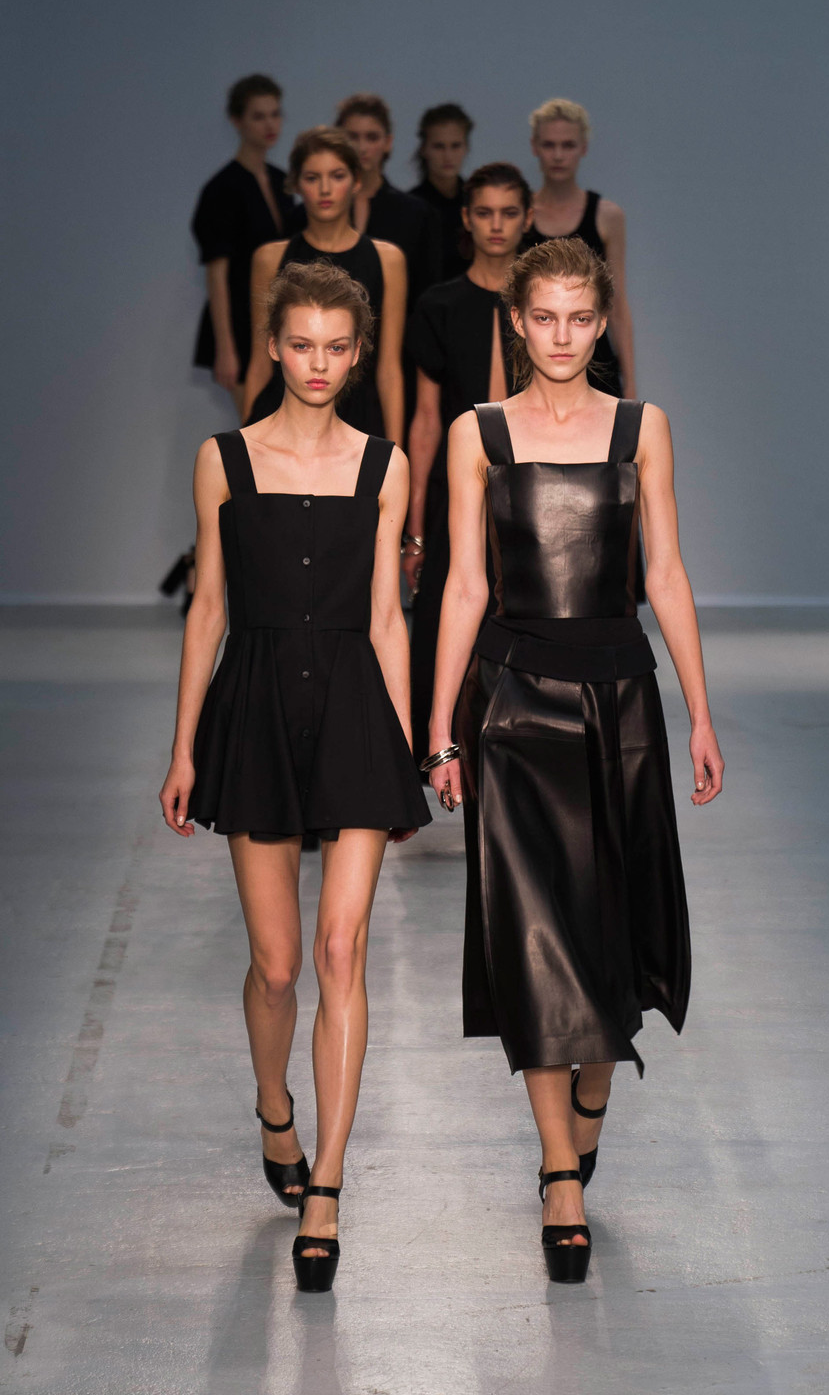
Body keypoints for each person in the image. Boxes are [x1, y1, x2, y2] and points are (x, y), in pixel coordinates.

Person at [425, 237, 723, 1284]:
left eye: (579, 318)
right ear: (516, 319)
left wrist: (700, 712)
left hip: (621, 704)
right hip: (513, 706)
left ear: (601, 323)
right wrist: (440, 727)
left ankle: (592, 1095)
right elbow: (465, 583)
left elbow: (666, 572)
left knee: (616, 931)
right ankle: (560, 1169)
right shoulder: (477, 432)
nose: (560, 336)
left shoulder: (643, 428)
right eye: (542, 317)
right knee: (535, 936)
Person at [159, 260, 430, 1294]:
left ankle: (326, 1183)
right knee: (276, 966)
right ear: (274, 347)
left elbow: (386, 616)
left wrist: (407, 746)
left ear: (358, 357)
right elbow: (208, 607)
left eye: (337, 347)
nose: (318, 363)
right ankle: (274, 1107)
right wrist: (184, 746)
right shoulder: (224, 458)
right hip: (258, 709)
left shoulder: (384, 465)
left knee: (339, 948)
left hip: (355, 708)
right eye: (302, 344)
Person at [404, 162, 532, 765]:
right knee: (441, 616)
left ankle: (518, 748)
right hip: (455, 485)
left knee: (527, 614)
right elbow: (426, 419)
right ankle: (440, 749)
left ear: (528, 217)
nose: (496, 225)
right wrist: (415, 530)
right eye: (484, 212)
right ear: (465, 218)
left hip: (534, 486)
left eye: (509, 212)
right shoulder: (439, 304)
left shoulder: (547, 306)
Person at [242, 128, 405, 445]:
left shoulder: (388, 260)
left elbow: (389, 368)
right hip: (281, 416)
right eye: (312, 178)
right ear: (296, 184)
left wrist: (396, 453)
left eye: (337, 176)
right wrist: (245, 447)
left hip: (360, 415)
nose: (325, 189)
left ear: (356, 181)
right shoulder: (268, 259)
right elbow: (260, 363)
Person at [192, 74, 298, 414]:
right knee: (256, 427)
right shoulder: (221, 189)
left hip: (279, 319)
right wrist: (226, 348)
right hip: (239, 323)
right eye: (259, 116)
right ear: (237, 121)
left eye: (275, 114)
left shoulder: (283, 182)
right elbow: (217, 275)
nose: (270, 124)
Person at [524, 98, 636, 399]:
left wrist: (630, 383)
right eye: (549, 145)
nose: (558, 155)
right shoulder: (520, 215)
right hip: (530, 363)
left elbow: (617, 303)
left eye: (568, 145)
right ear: (535, 147)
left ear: (583, 148)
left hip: (596, 364)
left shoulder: (607, 216)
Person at [335, 93, 442, 313]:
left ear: (388, 142)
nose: (362, 147)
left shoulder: (416, 214)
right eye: (352, 137)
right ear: (337, 141)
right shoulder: (311, 215)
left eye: (372, 137)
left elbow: (427, 295)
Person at [409, 103, 474, 281]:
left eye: (455, 146)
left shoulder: (478, 203)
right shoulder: (409, 209)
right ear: (424, 149)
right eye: (439, 146)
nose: (448, 156)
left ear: (466, 147)